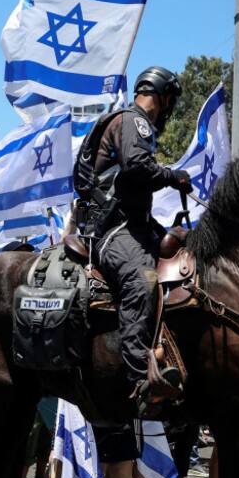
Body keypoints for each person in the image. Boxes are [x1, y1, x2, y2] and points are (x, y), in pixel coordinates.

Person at [72, 67, 193, 415]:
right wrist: (174, 175)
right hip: (114, 231)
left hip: (136, 224)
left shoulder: (134, 123)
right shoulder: (133, 121)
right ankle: (140, 379)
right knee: (142, 281)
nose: (169, 110)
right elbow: (138, 166)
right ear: (161, 96)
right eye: (170, 101)